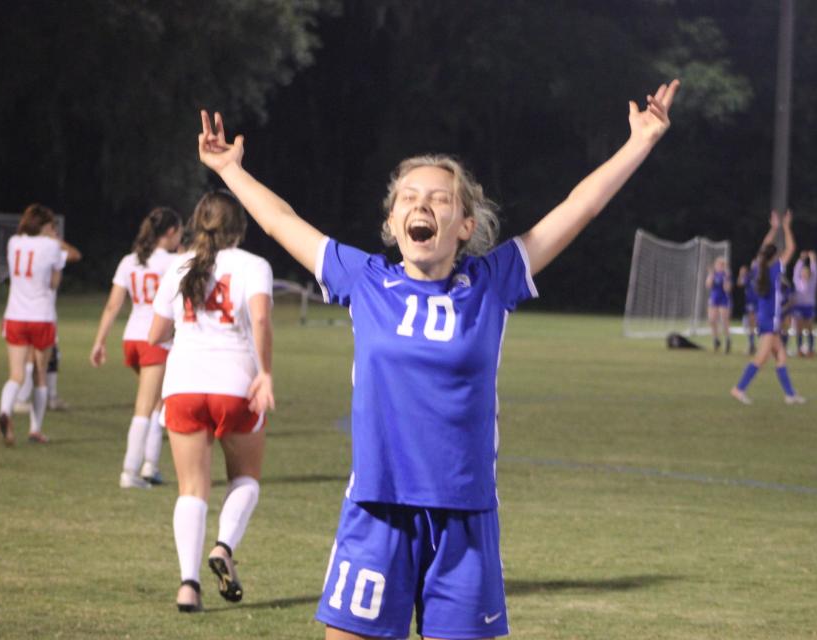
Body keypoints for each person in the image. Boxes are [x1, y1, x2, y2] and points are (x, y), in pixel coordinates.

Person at [198, 78, 679, 639]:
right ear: (392, 223)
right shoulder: (365, 279)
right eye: (408, 196)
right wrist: (230, 171)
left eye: (439, 198)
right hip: (377, 509)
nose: (421, 204)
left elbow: (580, 206)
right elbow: (282, 222)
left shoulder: (492, 282)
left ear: (465, 226)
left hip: (464, 517)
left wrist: (639, 142)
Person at [148, 191, 274, 613]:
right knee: (246, 481)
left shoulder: (179, 266)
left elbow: (155, 333)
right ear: (239, 226)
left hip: (183, 383)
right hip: (235, 383)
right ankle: (223, 546)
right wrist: (266, 373)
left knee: (191, 490)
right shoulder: (253, 265)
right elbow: (259, 318)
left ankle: (188, 586)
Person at [90, 207, 183, 488]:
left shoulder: (129, 261)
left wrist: (99, 341)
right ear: (170, 232)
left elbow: (112, 305)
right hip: (156, 340)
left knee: (156, 401)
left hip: (131, 339)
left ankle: (150, 467)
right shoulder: (173, 261)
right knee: (146, 406)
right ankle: (130, 471)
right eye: (178, 231)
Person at [0, 204, 68, 445]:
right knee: (40, 374)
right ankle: (35, 429)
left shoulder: (14, 242)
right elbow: (54, 283)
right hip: (41, 316)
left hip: (15, 315)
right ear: (45, 226)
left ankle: (5, 410)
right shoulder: (51, 246)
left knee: (16, 374)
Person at [730, 211, 805, 405]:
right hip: (770, 317)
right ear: (775, 256)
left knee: (780, 355)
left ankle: (790, 394)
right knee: (762, 357)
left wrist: (773, 228)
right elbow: (792, 247)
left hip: (765, 315)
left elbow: (764, 249)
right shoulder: (774, 269)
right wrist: (786, 226)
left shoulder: (757, 267)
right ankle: (739, 389)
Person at [14, 228, 82, 413]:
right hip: (38, 313)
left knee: (51, 355)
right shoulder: (48, 251)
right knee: (32, 358)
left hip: (32, 312)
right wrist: (56, 240)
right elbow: (75, 255)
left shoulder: (27, 248)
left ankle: (50, 397)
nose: (54, 231)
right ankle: (21, 398)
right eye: (50, 228)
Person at [791, 250, 817, 357]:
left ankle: (811, 349)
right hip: (799, 306)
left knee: (810, 327)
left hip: (809, 306)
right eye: (803, 272)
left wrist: (812, 259)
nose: (804, 274)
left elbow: (815, 271)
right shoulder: (797, 281)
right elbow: (795, 271)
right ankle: (799, 349)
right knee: (799, 328)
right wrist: (801, 260)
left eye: (807, 272)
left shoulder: (812, 282)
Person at [706, 256, 732, 353]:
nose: (720, 266)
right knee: (712, 320)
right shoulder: (714, 274)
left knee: (724, 321)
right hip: (714, 298)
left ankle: (728, 339)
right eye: (718, 264)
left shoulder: (726, 275)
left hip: (724, 300)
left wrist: (726, 278)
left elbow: (727, 289)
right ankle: (716, 339)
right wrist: (710, 275)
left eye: (722, 264)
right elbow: (708, 285)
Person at [737, 261, 759, 355]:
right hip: (751, 303)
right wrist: (741, 274)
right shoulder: (749, 275)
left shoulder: (763, 274)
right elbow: (740, 283)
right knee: (751, 324)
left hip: (760, 302)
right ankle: (752, 345)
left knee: (758, 324)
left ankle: (758, 345)